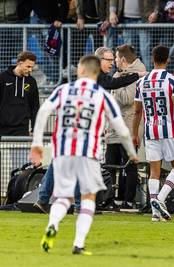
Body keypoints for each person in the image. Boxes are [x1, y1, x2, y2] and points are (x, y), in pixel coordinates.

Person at [29, 55, 138, 255]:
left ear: (80, 71)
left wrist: (37, 144)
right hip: (88, 153)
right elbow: (121, 129)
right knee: (88, 199)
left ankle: (52, 224)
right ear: (97, 73)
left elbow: (43, 112)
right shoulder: (102, 95)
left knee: (64, 197)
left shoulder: (64, 90)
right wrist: (131, 153)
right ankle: (78, 244)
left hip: (62, 153)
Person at [34, 47, 145, 213]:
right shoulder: (98, 77)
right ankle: (78, 205)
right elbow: (112, 84)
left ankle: (43, 199)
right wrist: (137, 75)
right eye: (108, 60)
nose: (111, 63)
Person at [132, 45, 174, 222]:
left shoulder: (142, 82)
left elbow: (137, 112)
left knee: (154, 172)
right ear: (168, 59)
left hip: (150, 131)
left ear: (152, 59)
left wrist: (135, 134)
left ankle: (155, 213)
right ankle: (160, 199)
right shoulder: (172, 80)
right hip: (170, 130)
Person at [105, 44, 146, 209]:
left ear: (122, 59)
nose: (114, 61)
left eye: (115, 58)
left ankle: (128, 200)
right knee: (110, 165)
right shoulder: (123, 74)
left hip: (128, 129)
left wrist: (114, 86)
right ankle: (110, 199)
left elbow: (128, 99)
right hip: (115, 128)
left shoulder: (136, 74)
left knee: (129, 166)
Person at [0, 51, 39, 136]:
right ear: (20, 63)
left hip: (22, 129)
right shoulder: (2, 78)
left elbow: (35, 107)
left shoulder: (31, 81)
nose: (30, 70)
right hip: (2, 128)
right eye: (28, 66)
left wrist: (34, 128)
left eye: (32, 67)